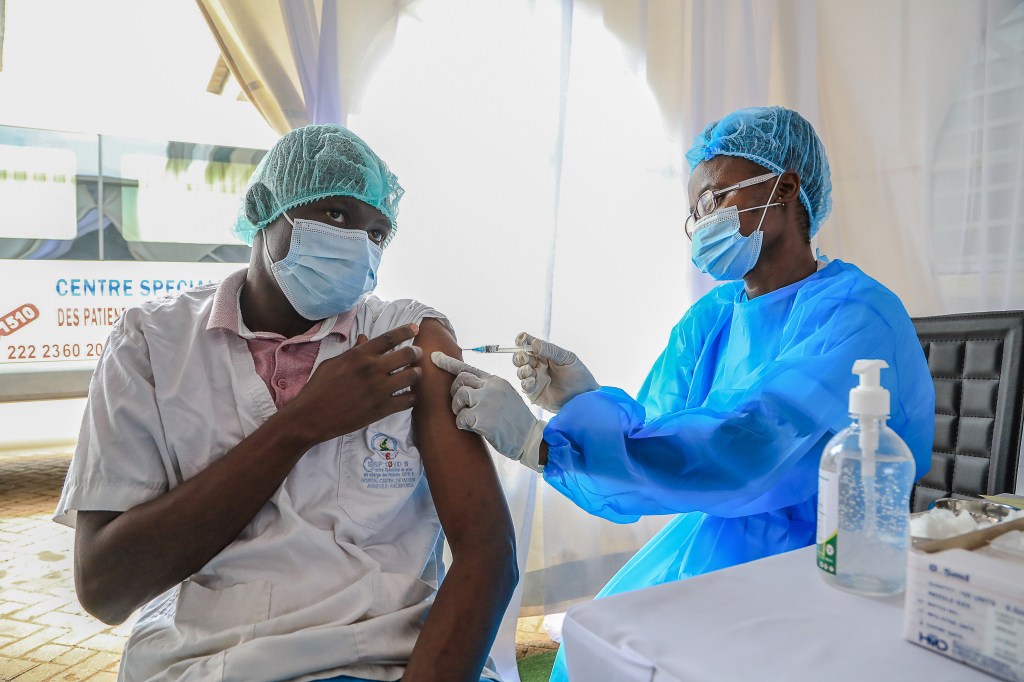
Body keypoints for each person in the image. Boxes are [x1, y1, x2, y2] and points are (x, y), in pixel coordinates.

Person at [431, 106, 935, 680]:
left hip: (821, 558)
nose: (701, 222)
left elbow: (743, 446)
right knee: (591, 646)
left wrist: (541, 445)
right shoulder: (712, 317)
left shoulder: (856, 313)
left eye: (716, 197)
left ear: (786, 187)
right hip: (713, 536)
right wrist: (581, 401)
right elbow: (658, 432)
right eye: (693, 211)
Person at [54, 124, 517, 682]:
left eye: (378, 232)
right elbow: (106, 587)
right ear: (264, 207)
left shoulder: (409, 337)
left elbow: (488, 552)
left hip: (388, 660)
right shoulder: (151, 343)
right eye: (338, 216)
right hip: (203, 664)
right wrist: (302, 424)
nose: (359, 245)